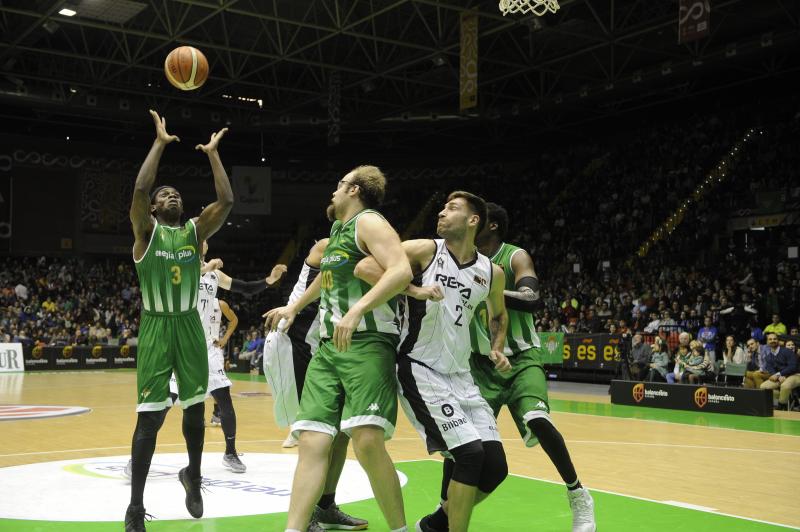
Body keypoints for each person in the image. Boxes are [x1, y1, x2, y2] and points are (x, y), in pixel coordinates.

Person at [429, 202, 596, 532]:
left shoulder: (514, 256)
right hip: (478, 364)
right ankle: (442, 511)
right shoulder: (457, 259)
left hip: (521, 358)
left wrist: (486, 288)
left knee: (538, 418)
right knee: (461, 441)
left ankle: (578, 493)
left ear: (489, 226)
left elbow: (532, 298)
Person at [264, 165, 412, 532]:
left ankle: (400, 529)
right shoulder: (337, 230)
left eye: (340, 183)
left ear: (355, 190)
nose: (334, 190)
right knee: (312, 441)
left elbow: (401, 271)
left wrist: (359, 308)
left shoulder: (370, 223)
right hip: (329, 348)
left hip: (368, 342)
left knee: (366, 441)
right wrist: (294, 307)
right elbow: (325, 279)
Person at [354, 191, 512, 532]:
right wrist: (413, 290)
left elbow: (498, 315)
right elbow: (365, 266)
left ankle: (437, 523)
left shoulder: (491, 272)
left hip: (462, 377)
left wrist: (497, 347)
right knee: (470, 455)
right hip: (420, 368)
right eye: (442, 207)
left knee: (495, 467)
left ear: (473, 221)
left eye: (452, 208)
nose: (441, 213)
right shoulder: (426, 250)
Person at [125, 110, 233, 532]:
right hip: (155, 327)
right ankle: (135, 507)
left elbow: (225, 202)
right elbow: (138, 187)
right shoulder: (144, 234)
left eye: (176, 194)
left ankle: (193, 475)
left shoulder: (194, 233)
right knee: (150, 418)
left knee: (194, 410)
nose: (172, 196)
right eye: (164, 194)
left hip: (189, 326)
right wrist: (159, 142)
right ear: (153, 208)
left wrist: (212, 155)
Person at [262, 238, 369, 530]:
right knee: (315, 436)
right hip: (297, 344)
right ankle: (305, 515)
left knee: (342, 433)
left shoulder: (354, 243)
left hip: (326, 347)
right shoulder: (328, 246)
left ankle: (325, 505)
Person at [756, 334, 798, 401]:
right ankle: (785, 398)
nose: (773, 340)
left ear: (778, 341)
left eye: (775, 339)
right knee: (763, 387)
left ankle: (782, 405)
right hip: (780, 377)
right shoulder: (768, 357)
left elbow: (793, 366)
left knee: (785, 385)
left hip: (794, 375)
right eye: (770, 339)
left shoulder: (787, 351)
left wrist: (779, 374)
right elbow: (771, 370)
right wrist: (778, 376)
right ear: (767, 342)